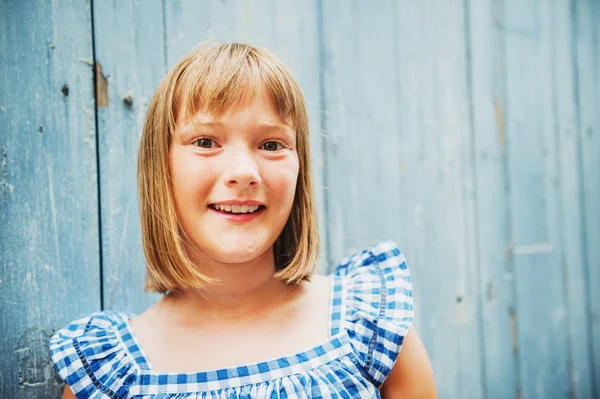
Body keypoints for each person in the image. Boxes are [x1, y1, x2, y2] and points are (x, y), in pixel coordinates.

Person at [50, 43, 437, 398]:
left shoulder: (369, 327)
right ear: (160, 167)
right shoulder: (107, 377)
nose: (243, 171)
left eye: (271, 145)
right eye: (205, 142)